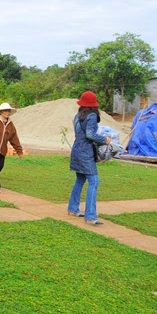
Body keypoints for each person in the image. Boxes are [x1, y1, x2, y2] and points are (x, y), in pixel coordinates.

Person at [67, 91, 111, 226]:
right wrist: (105, 140)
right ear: (94, 105)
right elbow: (90, 134)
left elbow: (82, 134)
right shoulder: (92, 116)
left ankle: (73, 208)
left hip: (76, 149)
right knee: (94, 181)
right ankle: (91, 216)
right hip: (85, 152)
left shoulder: (76, 116)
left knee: (80, 179)